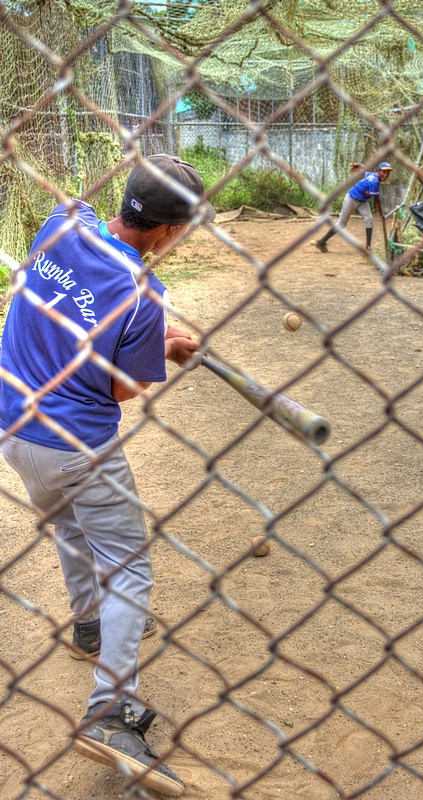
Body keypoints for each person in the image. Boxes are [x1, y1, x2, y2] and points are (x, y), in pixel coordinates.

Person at [0, 154, 216, 797]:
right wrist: (165, 348)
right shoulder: (144, 296)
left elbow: (85, 307)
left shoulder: (65, 222)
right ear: (172, 232)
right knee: (130, 565)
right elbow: (121, 388)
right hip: (76, 445)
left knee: (68, 524)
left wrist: (156, 337)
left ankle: (89, 625)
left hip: (13, 424)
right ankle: (112, 709)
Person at [312, 161, 393, 253]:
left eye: (388, 173)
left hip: (362, 201)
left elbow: (364, 172)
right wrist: (381, 214)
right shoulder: (375, 181)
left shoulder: (374, 175)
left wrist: (359, 167)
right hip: (351, 198)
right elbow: (377, 200)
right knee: (342, 223)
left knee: (369, 219)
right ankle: (321, 242)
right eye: (384, 172)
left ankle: (368, 247)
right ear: (379, 171)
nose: (385, 175)